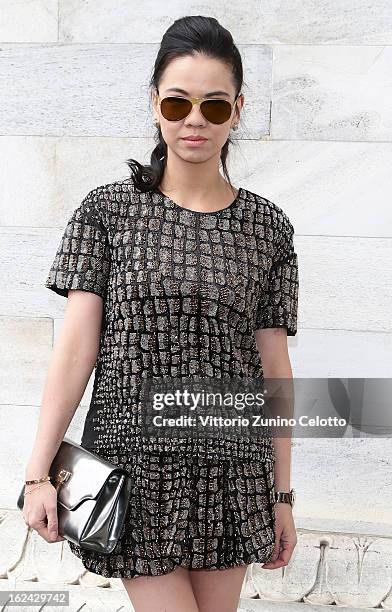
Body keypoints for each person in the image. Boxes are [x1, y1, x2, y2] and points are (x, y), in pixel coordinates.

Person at [22, 15, 299, 612]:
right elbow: (75, 351)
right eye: (177, 104)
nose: (195, 119)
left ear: (238, 110)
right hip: (134, 470)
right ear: (155, 105)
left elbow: (275, 370)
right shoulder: (107, 214)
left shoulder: (268, 228)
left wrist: (282, 497)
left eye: (214, 106)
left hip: (233, 472)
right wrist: (37, 472)